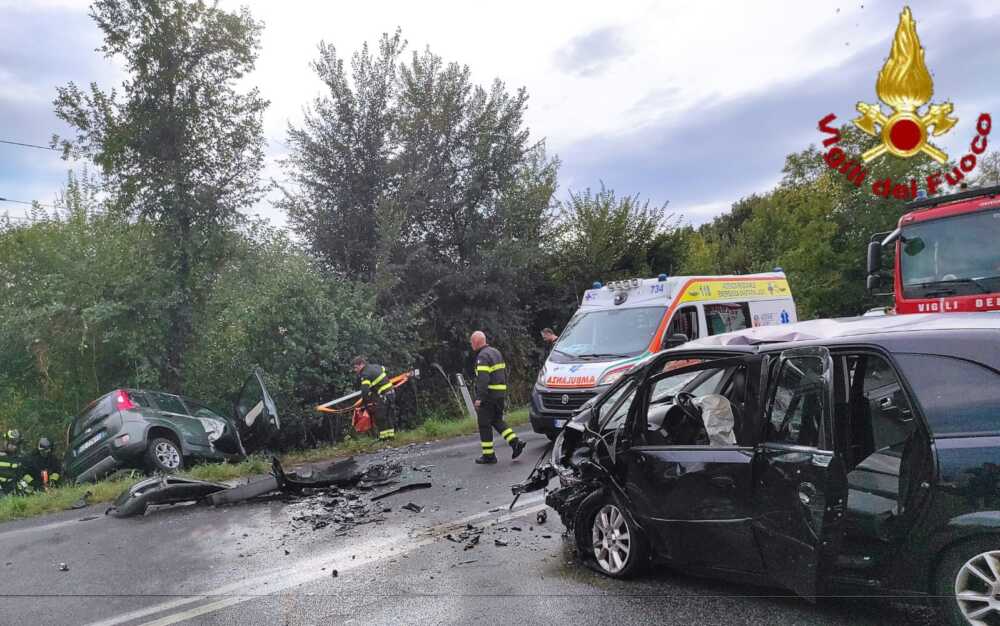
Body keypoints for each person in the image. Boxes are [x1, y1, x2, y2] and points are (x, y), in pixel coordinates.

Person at [470, 331, 526, 464]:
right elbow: (502, 374)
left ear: (477, 342)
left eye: (471, 342)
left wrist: (479, 398)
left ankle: (489, 456)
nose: (471, 344)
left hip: (488, 396)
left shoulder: (482, 356)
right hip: (499, 394)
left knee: (484, 425)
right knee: (497, 420)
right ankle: (515, 442)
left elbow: (483, 379)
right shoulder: (496, 352)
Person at [352, 356, 397, 441]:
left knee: (380, 417)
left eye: (356, 367)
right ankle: (390, 437)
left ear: (361, 364)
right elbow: (383, 370)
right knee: (387, 416)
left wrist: (366, 400)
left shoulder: (365, 374)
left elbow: (365, 391)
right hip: (391, 393)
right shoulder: (375, 366)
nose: (355, 370)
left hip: (384, 396)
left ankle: (384, 438)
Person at [0, 430, 32, 496]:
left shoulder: (18, 458)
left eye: (16, 444)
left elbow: (20, 475)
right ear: (5, 441)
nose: (14, 447)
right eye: (12, 443)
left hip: (10, 488)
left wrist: (29, 486)